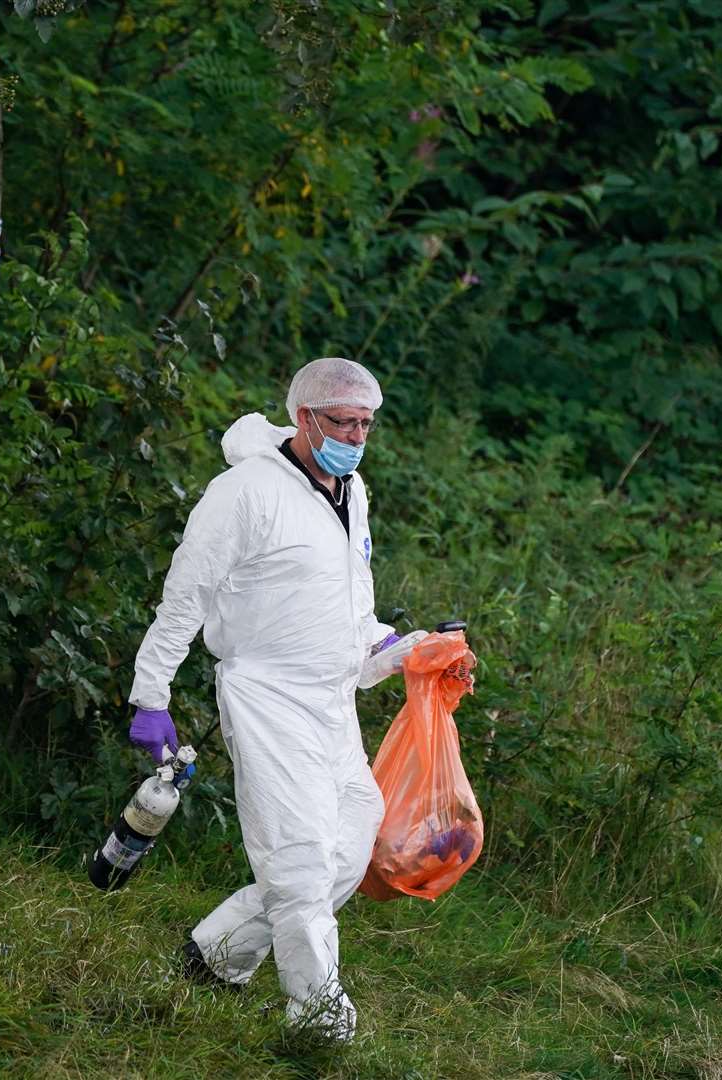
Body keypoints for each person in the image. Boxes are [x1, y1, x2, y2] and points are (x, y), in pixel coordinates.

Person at [125, 356, 426, 1043]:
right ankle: (320, 1021)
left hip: (329, 701)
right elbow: (185, 597)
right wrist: (151, 694)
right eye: (342, 421)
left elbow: (351, 618)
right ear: (302, 417)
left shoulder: (353, 492)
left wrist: (414, 652)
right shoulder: (244, 493)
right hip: (265, 695)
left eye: (365, 424)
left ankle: (214, 955)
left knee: (351, 838)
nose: (355, 435)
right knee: (297, 855)